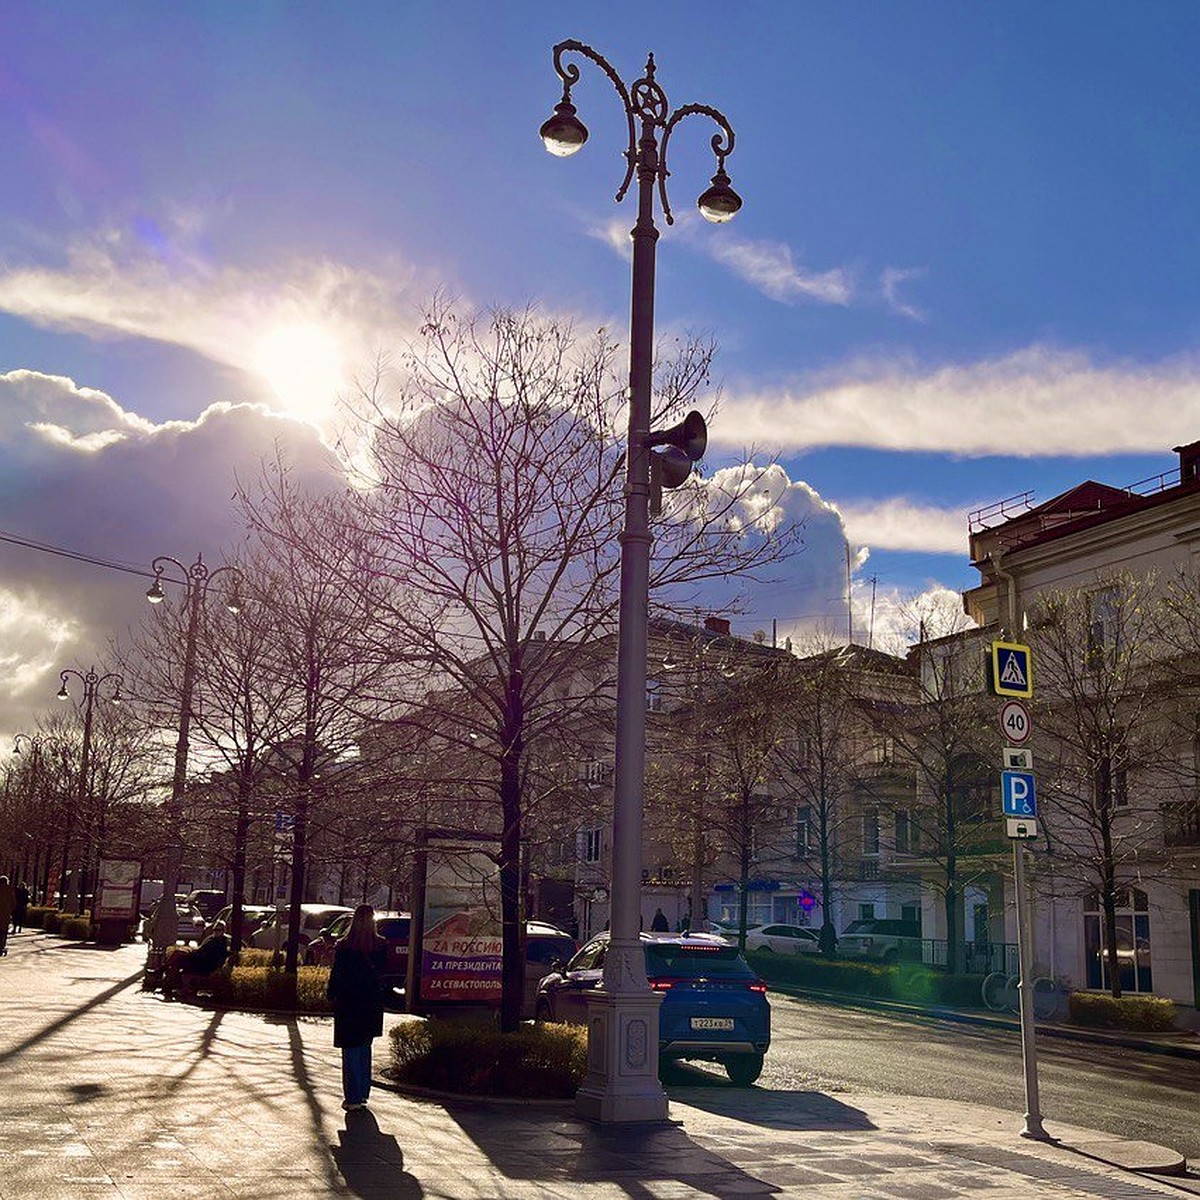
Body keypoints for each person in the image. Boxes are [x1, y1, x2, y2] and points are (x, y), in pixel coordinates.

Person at [326, 904, 386, 1112]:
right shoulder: (380, 945)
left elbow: (337, 975)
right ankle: (362, 1093)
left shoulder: (343, 946)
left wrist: (331, 995)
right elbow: (383, 975)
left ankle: (352, 1096)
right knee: (364, 1047)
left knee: (350, 1048)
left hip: (349, 1003)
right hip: (370, 1003)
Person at [162, 922, 230, 995]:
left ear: (223, 930)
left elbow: (211, 955)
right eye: (214, 930)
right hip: (198, 959)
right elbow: (200, 948)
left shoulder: (222, 942)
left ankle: (163, 971)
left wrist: (194, 952)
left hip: (204, 963)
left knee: (177, 954)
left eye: (218, 930)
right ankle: (169, 986)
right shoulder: (211, 939)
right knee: (176, 961)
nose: (216, 932)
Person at [0, 877, 15, 955]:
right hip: (5, 915)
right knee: (3, 932)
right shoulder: (10, 891)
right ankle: (1, 946)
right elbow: (13, 903)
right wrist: (9, 911)